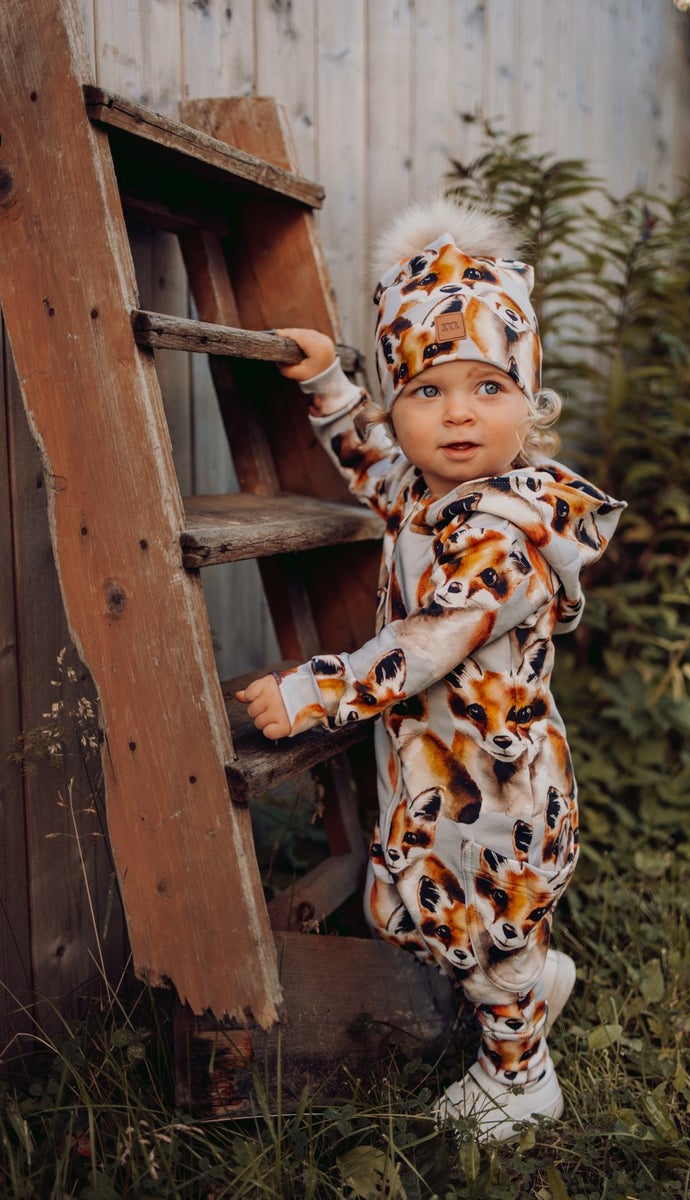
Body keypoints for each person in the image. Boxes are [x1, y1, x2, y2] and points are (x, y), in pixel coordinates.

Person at [237, 196, 625, 1140]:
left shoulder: (503, 535)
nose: (457, 412)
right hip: (438, 772)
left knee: (487, 929)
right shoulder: (424, 491)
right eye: (425, 390)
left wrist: (313, 690)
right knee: (440, 914)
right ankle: (534, 981)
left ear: (529, 402)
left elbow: (426, 644)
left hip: (498, 783)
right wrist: (328, 382)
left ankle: (520, 1079)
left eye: (488, 386)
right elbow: (372, 464)